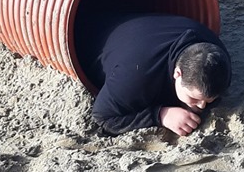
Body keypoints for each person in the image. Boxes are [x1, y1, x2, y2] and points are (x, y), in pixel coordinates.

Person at [76, 12, 231, 136]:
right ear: (177, 73)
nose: (202, 106)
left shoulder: (218, 56)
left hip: (132, 21)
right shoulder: (136, 77)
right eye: (194, 98)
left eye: (209, 100)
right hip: (84, 32)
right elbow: (103, 117)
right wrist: (161, 115)